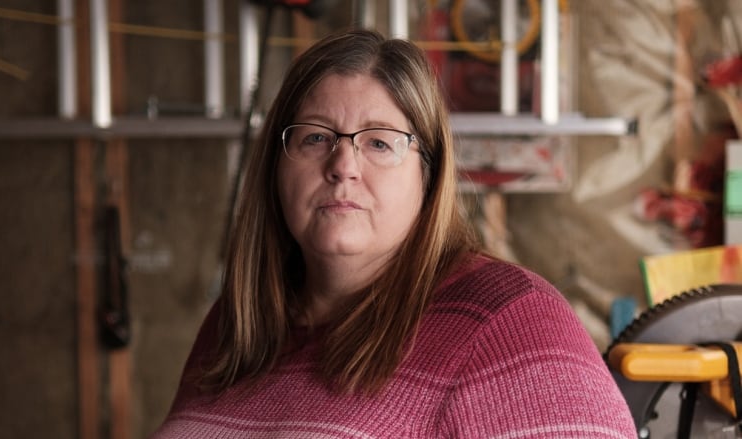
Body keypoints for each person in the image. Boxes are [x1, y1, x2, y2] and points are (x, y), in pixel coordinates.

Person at [151, 28, 636, 438]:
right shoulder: (237, 321)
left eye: (380, 142)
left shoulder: (508, 321)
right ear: (276, 167)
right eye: (316, 137)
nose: (343, 166)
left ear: (428, 174)